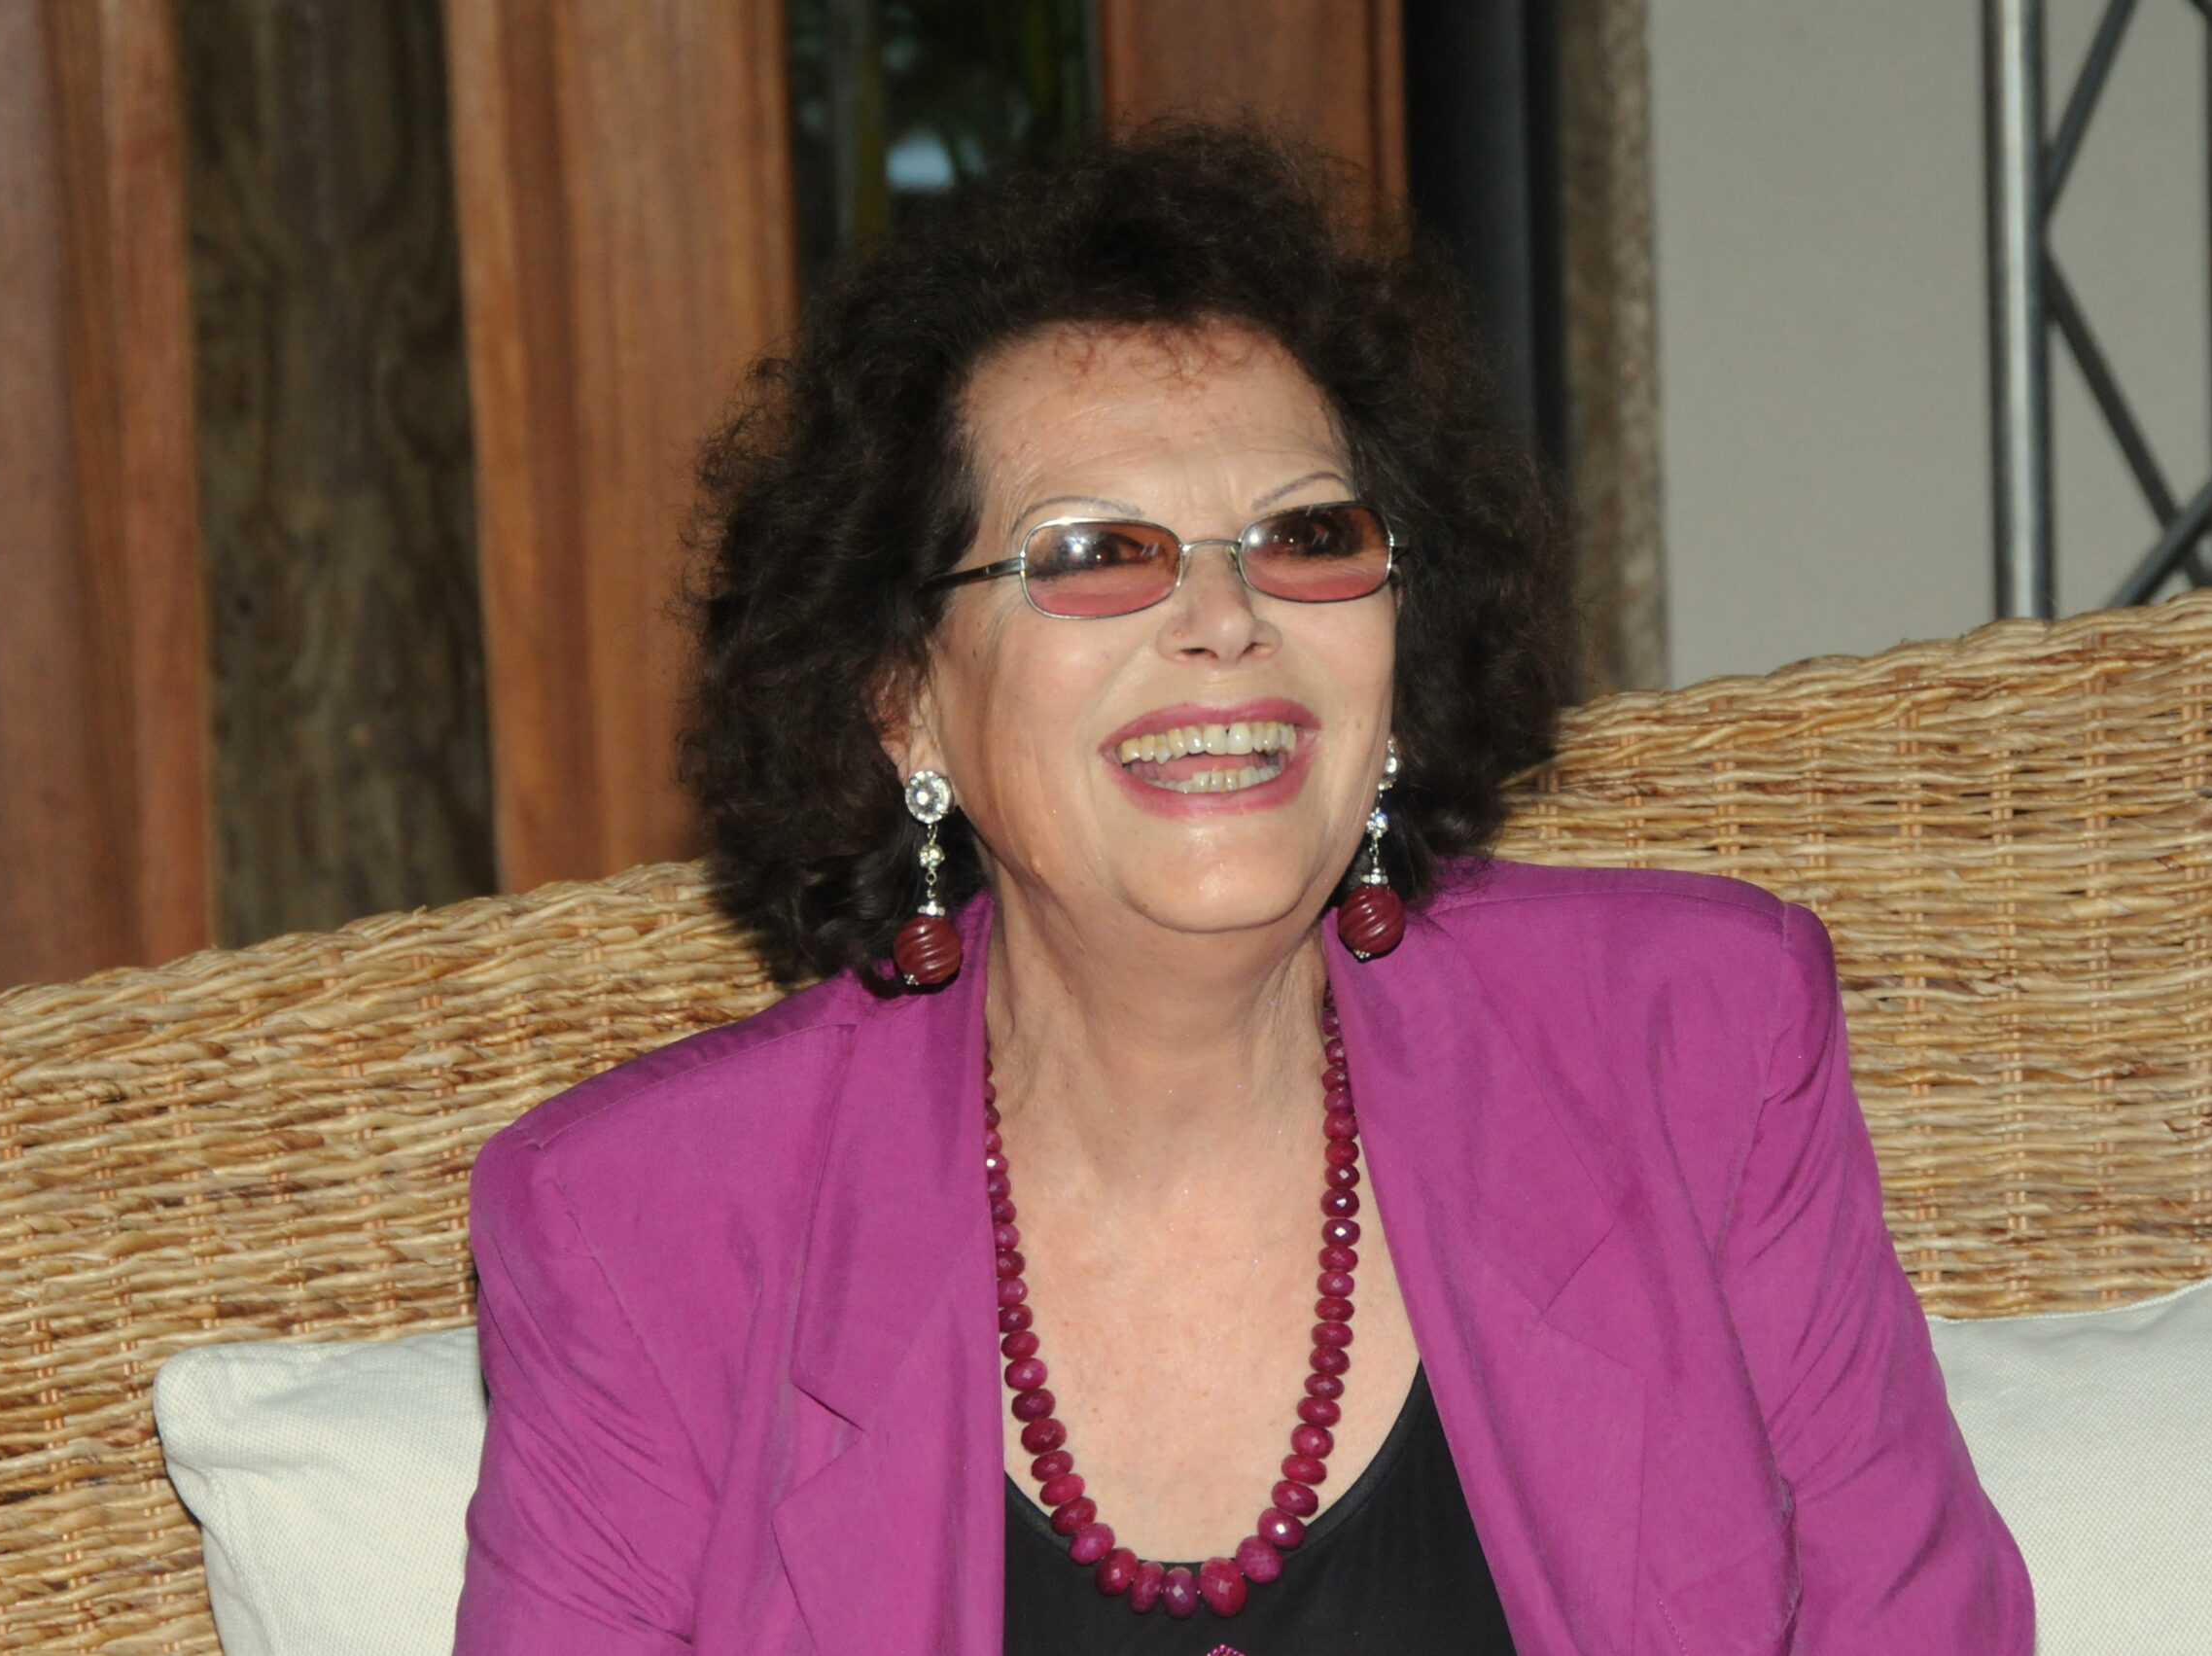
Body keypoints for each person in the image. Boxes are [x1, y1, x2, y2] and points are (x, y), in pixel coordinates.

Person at [453, 125, 2032, 1655]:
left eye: (1308, 535)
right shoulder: (641, 1234)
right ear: (905, 699)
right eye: (1094, 553)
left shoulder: (1697, 1049)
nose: (1226, 618)